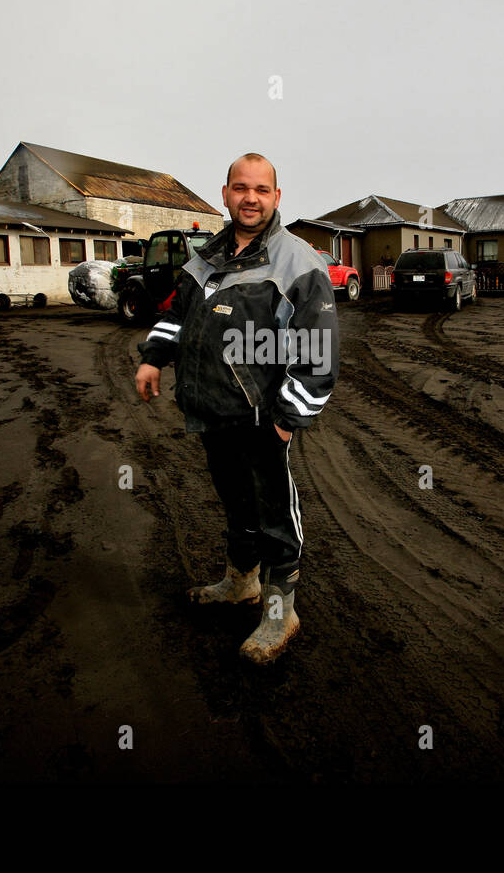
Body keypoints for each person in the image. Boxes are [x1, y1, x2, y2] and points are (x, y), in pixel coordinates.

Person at [134, 153, 339, 664]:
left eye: (262, 190)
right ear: (225, 194)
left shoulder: (297, 262)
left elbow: (318, 354)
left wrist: (287, 422)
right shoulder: (207, 256)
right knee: (236, 505)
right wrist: (154, 358)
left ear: (276, 197)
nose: (251, 198)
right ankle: (240, 583)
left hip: (261, 420)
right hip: (212, 412)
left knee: (274, 517)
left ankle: (279, 612)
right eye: (241, 188)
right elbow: (179, 314)